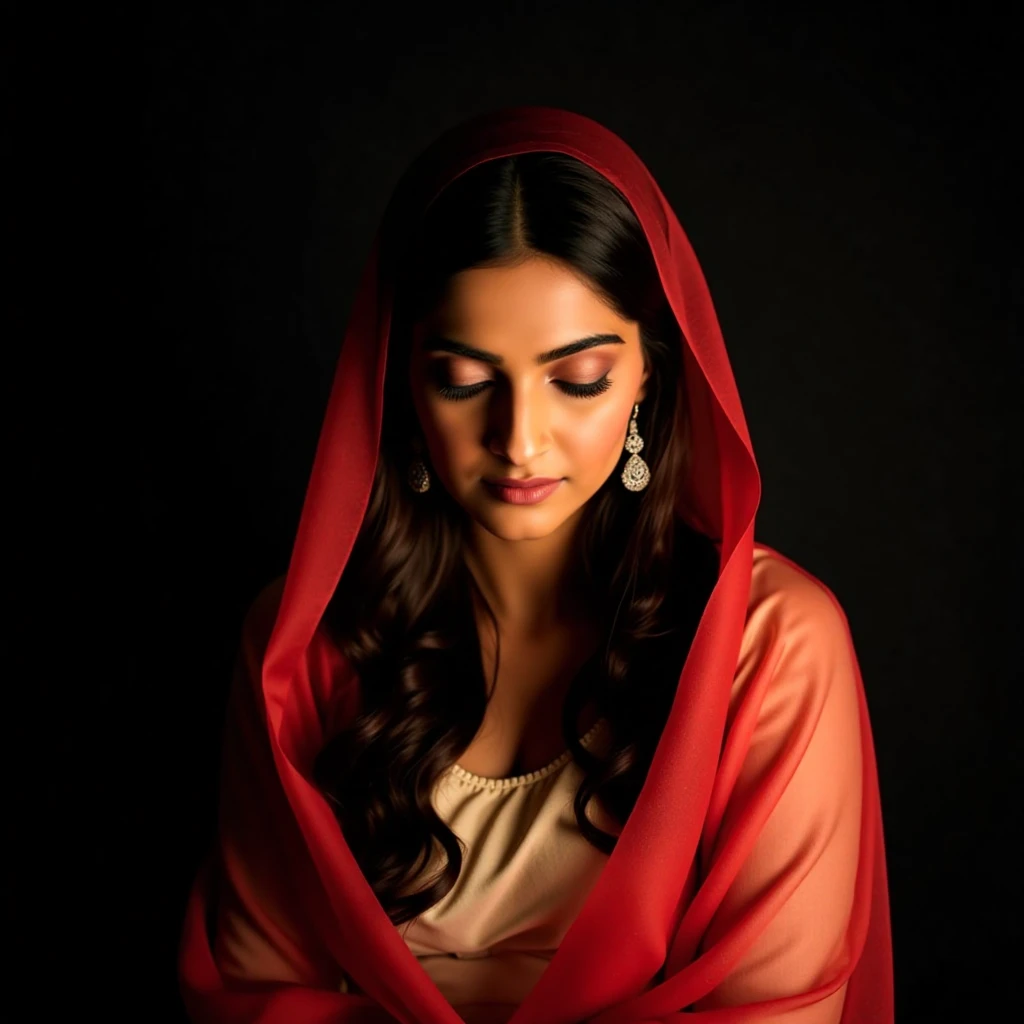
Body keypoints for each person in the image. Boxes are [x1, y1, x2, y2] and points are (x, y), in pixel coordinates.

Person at [178, 106, 894, 1023]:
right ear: (401, 381)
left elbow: (780, 1010)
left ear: (648, 378)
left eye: (579, 379)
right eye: (465, 380)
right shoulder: (305, 648)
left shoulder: (772, 646)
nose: (519, 441)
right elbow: (253, 998)